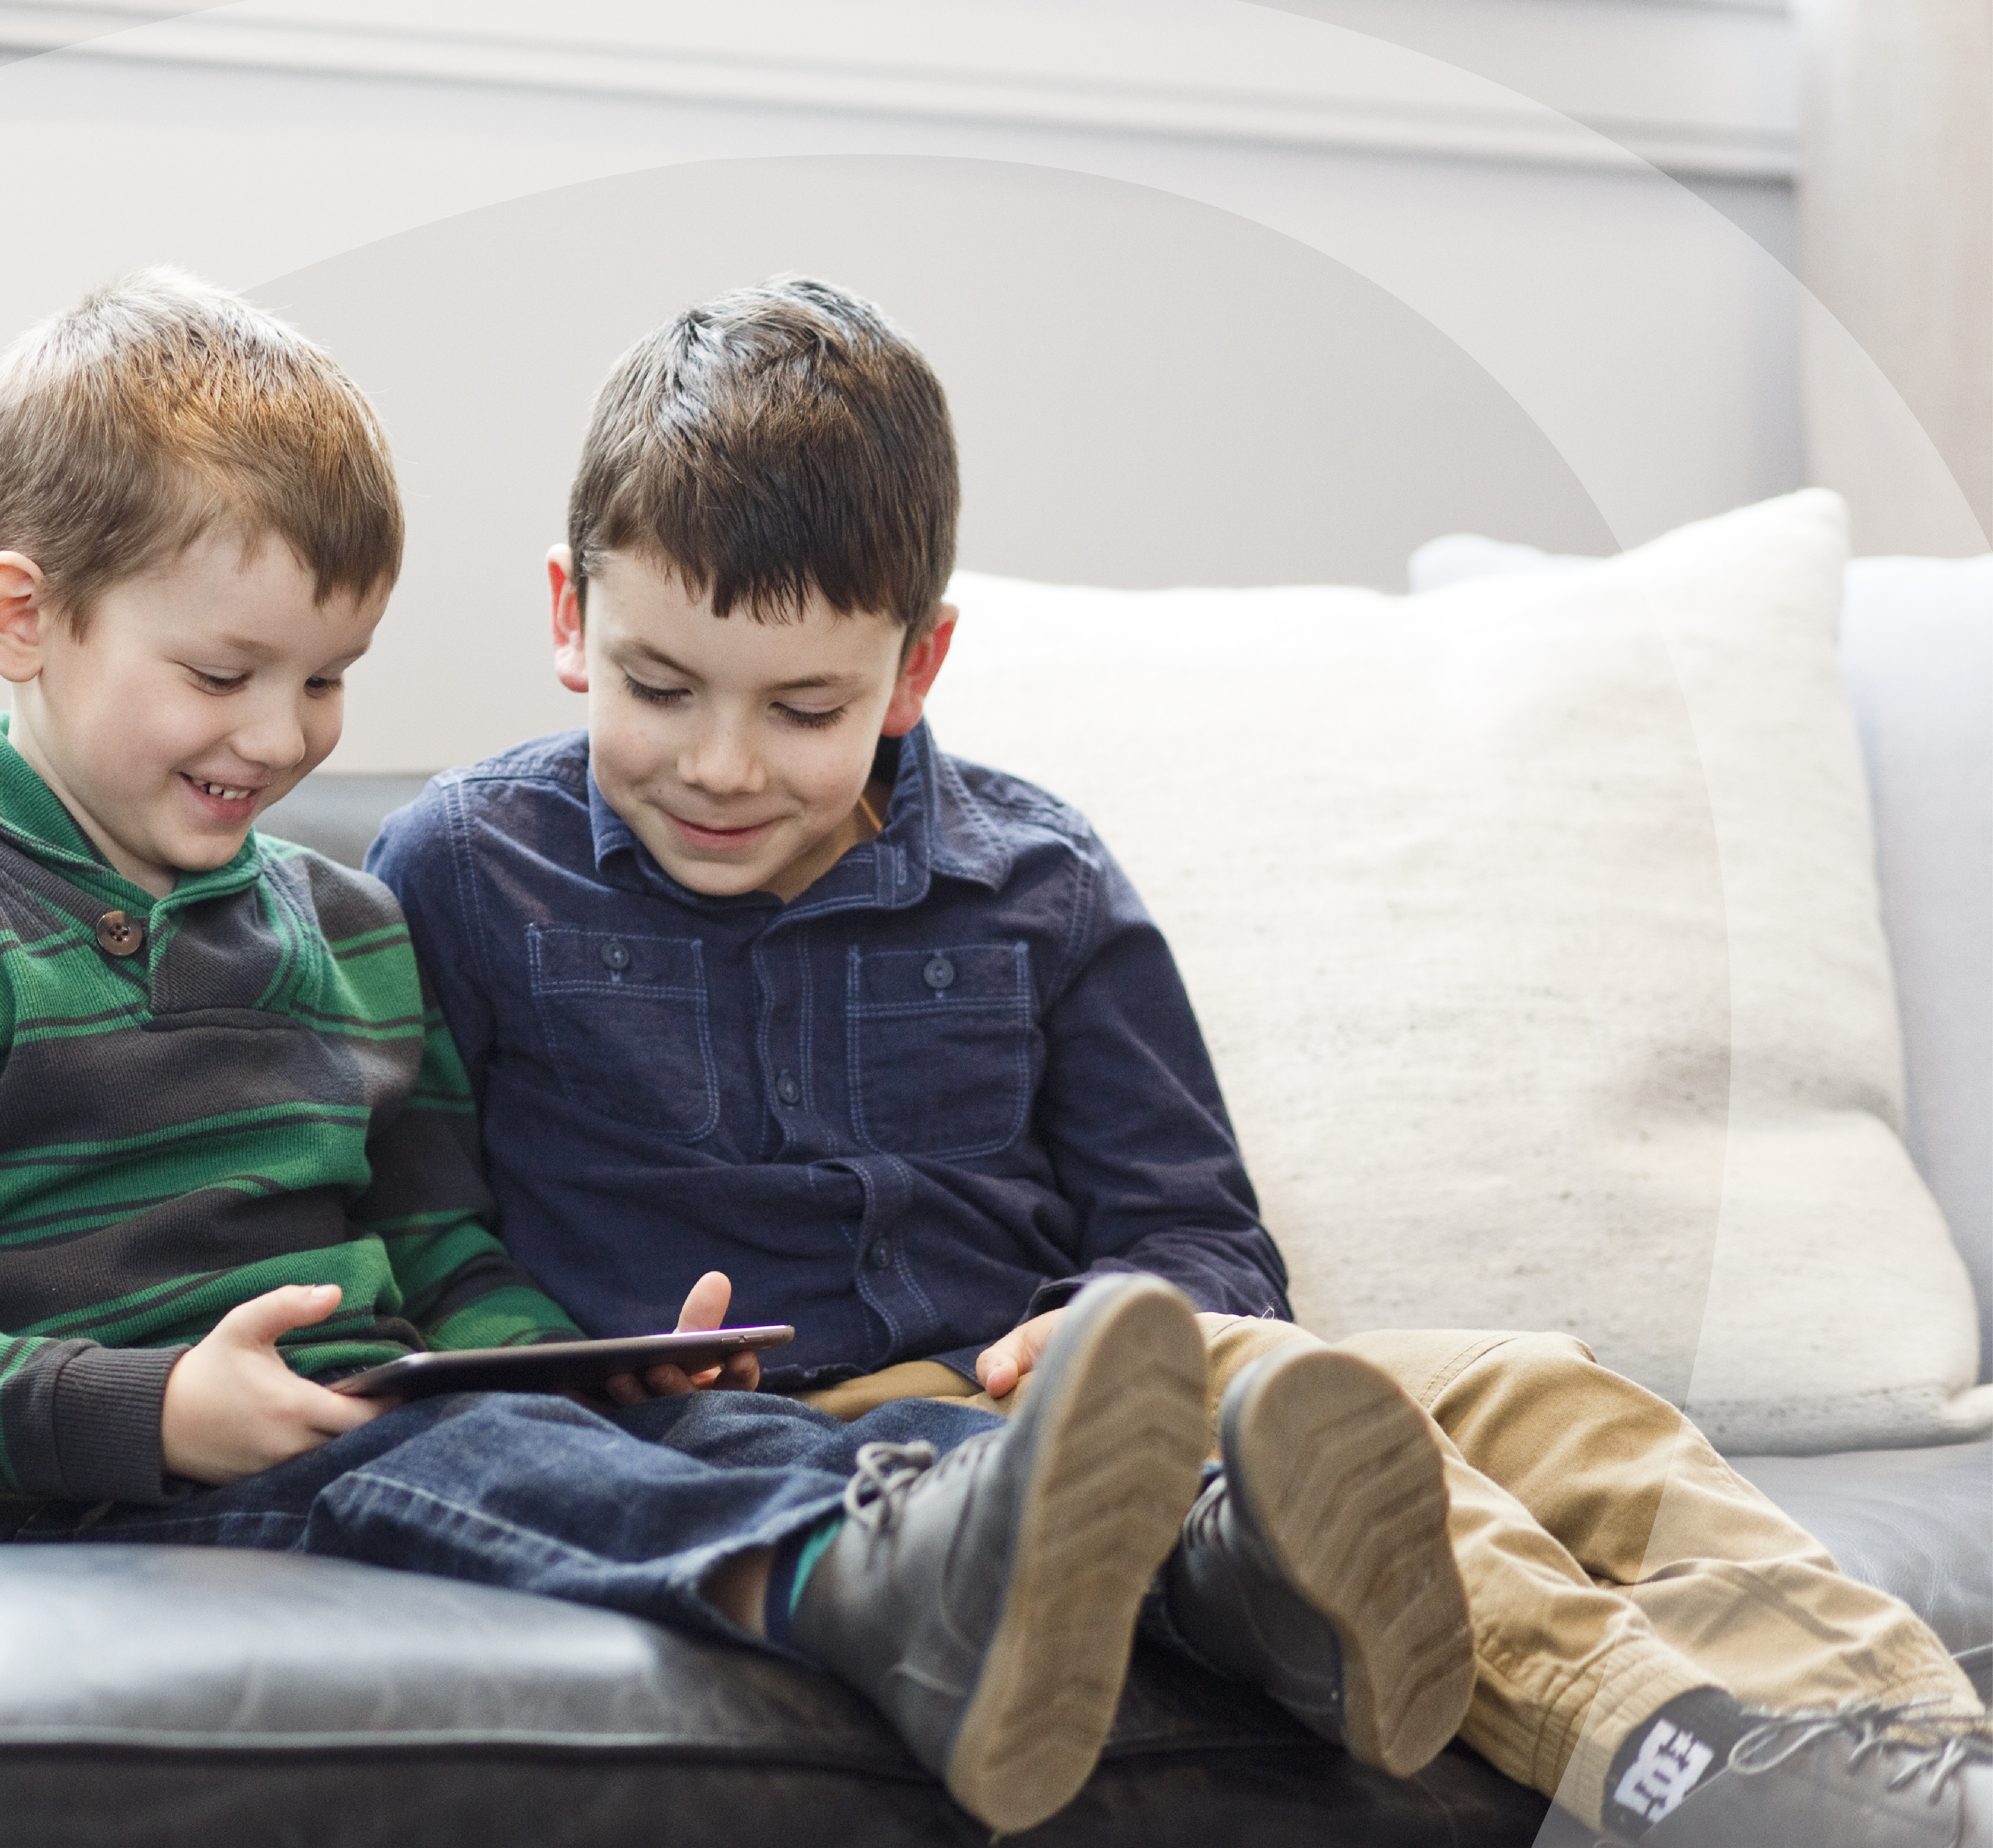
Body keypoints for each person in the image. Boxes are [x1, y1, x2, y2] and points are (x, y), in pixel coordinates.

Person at [0, 269, 1456, 1835]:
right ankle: (865, 1604)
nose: (279, 739)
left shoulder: (344, 931)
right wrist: (156, 1410)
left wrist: (591, 1365)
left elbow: (443, 1250)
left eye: (328, 682)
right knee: (464, 1457)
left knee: (741, 1443)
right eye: (223, 673)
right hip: (89, 1496)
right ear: (21, 617)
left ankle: (1211, 1569)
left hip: (379, 1413)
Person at [363, 275, 1993, 1847]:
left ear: (916, 669)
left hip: (1083, 1384)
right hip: (832, 1453)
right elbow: (415, 1244)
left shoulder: (1038, 881)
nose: (720, 765)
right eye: (662, 689)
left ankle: (1927, 1763)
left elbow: (1203, 1230)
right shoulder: (460, 867)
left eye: (803, 708)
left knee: (1550, 1396)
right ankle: (1671, 1756)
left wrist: (1102, 1314)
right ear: (574, 616)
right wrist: (589, 1361)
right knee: (1263, 1408)